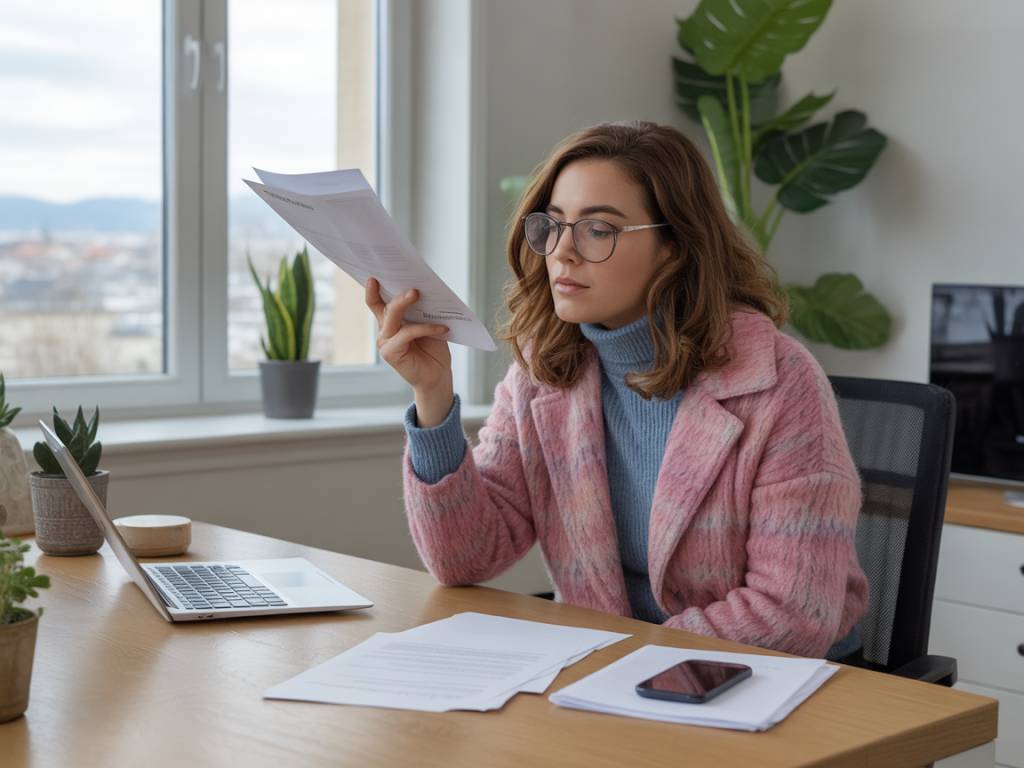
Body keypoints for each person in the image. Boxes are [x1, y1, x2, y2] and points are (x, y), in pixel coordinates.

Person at [365, 120, 868, 660]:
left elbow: (791, 614)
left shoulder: (778, 382)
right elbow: (465, 558)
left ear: (674, 246)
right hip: (608, 671)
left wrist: (619, 656)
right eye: (553, 225)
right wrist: (433, 394)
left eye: (598, 230)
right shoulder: (544, 371)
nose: (562, 251)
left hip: (762, 677)